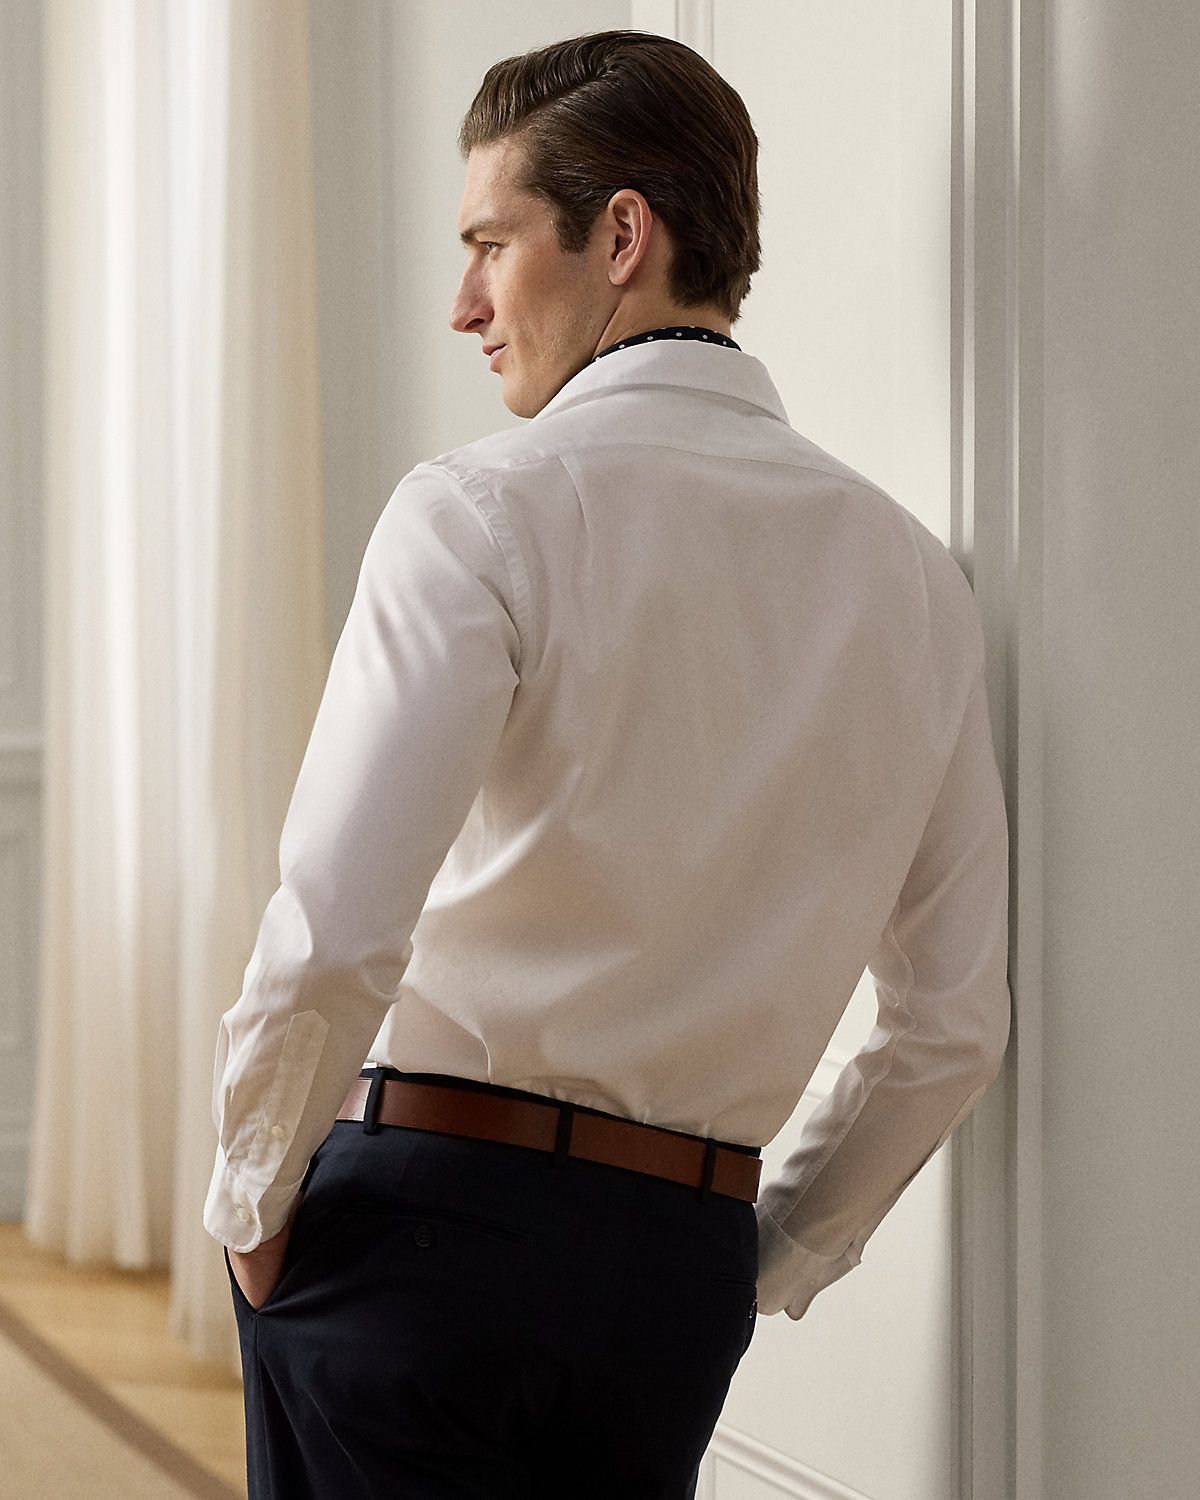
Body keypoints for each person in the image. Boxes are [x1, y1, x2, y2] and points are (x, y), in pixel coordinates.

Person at [206, 29, 1010, 1500]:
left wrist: (253, 1200)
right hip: (671, 1277)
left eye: (491, 243)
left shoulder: (478, 511)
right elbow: (950, 1026)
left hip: (420, 1230)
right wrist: (757, 1255)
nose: (465, 305)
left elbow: (332, 928)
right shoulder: (916, 581)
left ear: (622, 236)